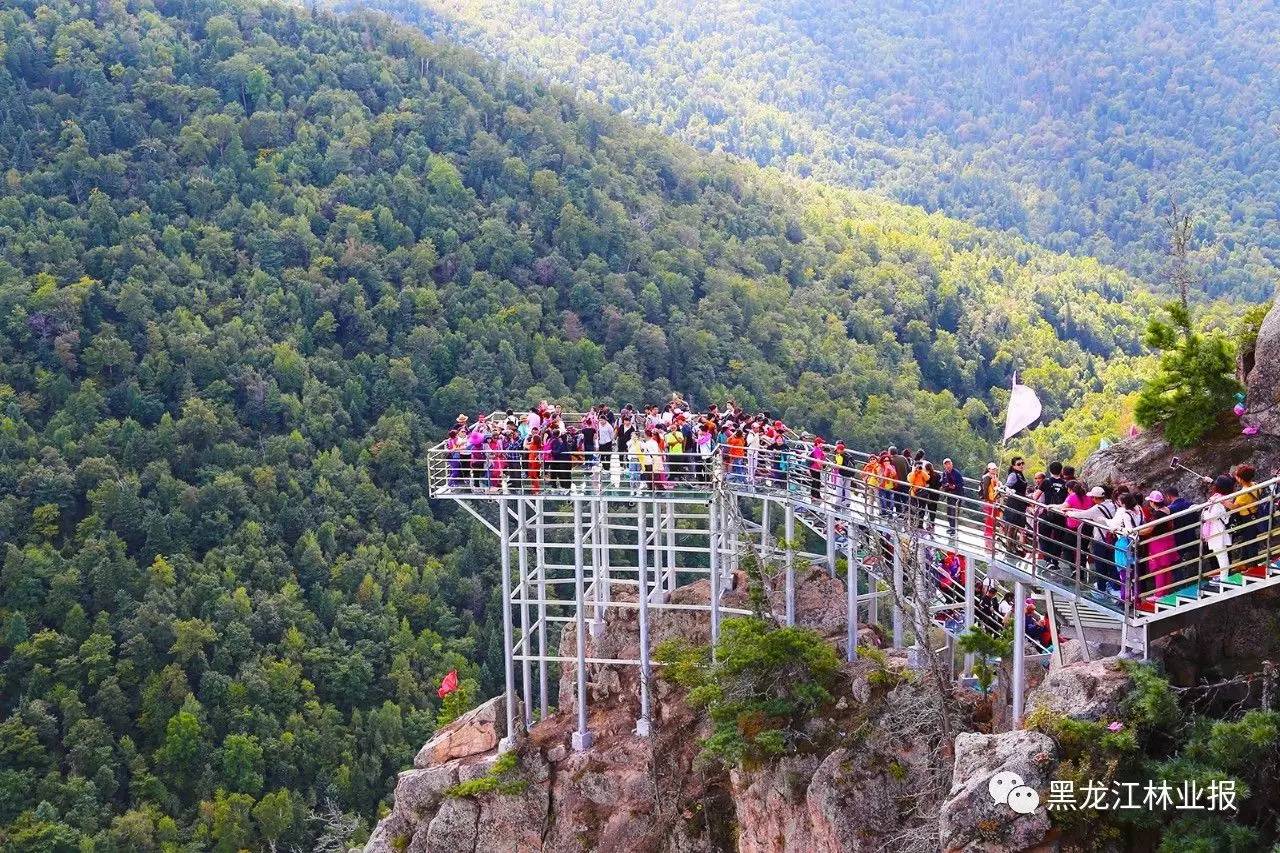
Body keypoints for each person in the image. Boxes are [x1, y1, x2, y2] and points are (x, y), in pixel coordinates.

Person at [1063, 485, 1118, 594]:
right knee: (1112, 564)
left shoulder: (1097, 509)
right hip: (1112, 539)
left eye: (1092, 498)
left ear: (1095, 498)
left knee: (1100, 565)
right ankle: (1114, 587)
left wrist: (1068, 513)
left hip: (1101, 540)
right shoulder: (1112, 504)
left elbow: (1082, 514)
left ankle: (1101, 589)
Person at [1141, 491, 1177, 599]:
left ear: (1153, 502)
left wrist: (1136, 532)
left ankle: (1159, 594)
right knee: (1166, 567)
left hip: (1158, 542)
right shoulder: (1167, 510)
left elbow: (1150, 529)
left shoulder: (1157, 514)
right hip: (1168, 540)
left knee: (1158, 568)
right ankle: (1165, 591)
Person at [1201, 474, 1235, 579]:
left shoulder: (1221, 500)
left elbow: (1213, 515)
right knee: (1219, 554)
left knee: (1221, 555)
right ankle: (1223, 576)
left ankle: (1224, 577)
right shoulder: (1220, 498)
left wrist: (1204, 515)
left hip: (1217, 530)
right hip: (1215, 530)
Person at [1230, 464, 1261, 564]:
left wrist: (1222, 501)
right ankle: (1247, 563)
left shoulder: (1242, 495)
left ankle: (1253, 565)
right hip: (1255, 514)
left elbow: (1233, 507)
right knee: (1249, 540)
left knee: (1250, 541)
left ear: (1241, 479)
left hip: (1247, 518)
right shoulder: (1255, 485)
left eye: (1237, 476)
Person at [1165, 487, 1195, 579]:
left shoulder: (1170, 509)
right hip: (1191, 536)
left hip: (1178, 539)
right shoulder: (1189, 504)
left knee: (1180, 566)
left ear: (1169, 497)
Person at [1003, 457, 1029, 553]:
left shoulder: (1020, 475)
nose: (1021, 465)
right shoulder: (1013, 475)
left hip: (1020, 504)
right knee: (1012, 526)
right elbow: (1007, 485)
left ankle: (1014, 544)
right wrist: (1008, 490)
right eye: (1019, 464)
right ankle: (1010, 546)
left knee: (1017, 525)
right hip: (1014, 503)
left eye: (1022, 463)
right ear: (1014, 466)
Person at [939, 458, 964, 536]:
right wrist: (945, 485)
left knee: (954, 513)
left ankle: (954, 529)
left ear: (952, 464)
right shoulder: (945, 473)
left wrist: (955, 486)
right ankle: (951, 527)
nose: (948, 466)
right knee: (949, 512)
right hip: (949, 495)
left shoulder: (957, 473)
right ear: (944, 466)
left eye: (949, 464)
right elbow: (942, 482)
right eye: (946, 464)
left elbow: (961, 484)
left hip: (957, 495)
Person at [980, 462, 1001, 542]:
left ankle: (992, 532)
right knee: (989, 516)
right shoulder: (987, 477)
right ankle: (988, 533)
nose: (994, 470)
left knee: (994, 516)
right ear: (989, 469)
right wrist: (987, 499)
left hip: (994, 499)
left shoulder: (995, 476)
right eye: (993, 469)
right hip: (989, 500)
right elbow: (985, 490)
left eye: (995, 469)